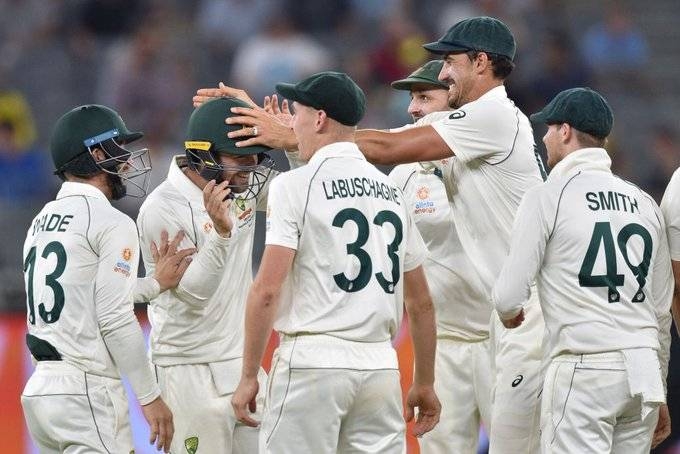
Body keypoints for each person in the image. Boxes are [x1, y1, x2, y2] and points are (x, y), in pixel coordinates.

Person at [204, 16, 546, 454]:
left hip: (515, 321)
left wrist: (299, 132)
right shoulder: (405, 176)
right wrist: (299, 137)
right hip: (443, 342)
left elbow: (381, 146)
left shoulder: (492, 117)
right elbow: (343, 179)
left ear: (480, 63)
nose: (438, 77)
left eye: (443, 72)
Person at [230, 71, 441, 453]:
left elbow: (266, 290)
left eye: (296, 112)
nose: (292, 123)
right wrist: (424, 382)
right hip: (380, 365)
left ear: (320, 119)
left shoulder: (292, 186)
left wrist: (248, 375)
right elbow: (422, 303)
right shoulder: (392, 192)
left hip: (312, 363)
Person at [493, 87, 673, 453]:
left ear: (565, 132)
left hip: (584, 365)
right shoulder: (644, 203)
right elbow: (659, 312)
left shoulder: (548, 195)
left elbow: (509, 295)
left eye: (549, 127)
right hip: (643, 372)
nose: (544, 136)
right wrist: (660, 388)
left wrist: (510, 314)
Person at [20, 104, 193, 453]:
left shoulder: (41, 220)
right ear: (96, 154)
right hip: (86, 391)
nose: (126, 161)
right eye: (118, 149)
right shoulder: (111, 222)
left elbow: (85, 295)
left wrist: (154, 284)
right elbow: (113, 317)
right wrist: (149, 397)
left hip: (40, 391)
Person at [136, 96, 295, 454]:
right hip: (186, 371)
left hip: (242, 364)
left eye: (255, 157)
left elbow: (302, 194)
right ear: (204, 157)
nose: (251, 168)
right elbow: (195, 293)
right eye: (239, 158)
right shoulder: (161, 208)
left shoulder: (241, 185)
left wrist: (289, 138)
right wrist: (223, 235)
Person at [389, 60, 492, 453]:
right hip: (442, 343)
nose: (412, 109)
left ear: (456, 103)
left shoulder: (495, 164)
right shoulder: (402, 176)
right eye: (411, 98)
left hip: (503, 337)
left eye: (423, 97)